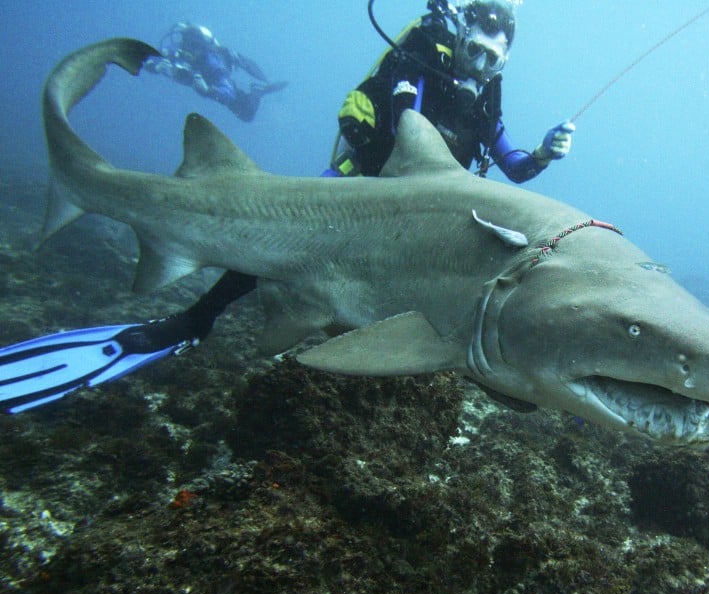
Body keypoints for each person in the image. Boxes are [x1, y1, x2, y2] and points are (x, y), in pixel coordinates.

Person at [0, 0, 574, 415]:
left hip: (426, 211)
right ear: (461, 32)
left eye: (494, 57)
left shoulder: (487, 97)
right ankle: (193, 319)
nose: (481, 64)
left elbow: (515, 165)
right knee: (279, 239)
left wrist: (544, 153)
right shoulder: (422, 56)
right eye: (476, 49)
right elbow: (404, 124)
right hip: (366, 182)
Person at [145, 22, 287, 122]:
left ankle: (257, 91)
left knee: (247, 114)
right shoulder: (176, 51)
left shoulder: (213, 64)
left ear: (202, 48)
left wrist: (209, 91)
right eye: (187, 46)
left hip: (213, 80)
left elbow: (228, 92)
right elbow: (152, 57)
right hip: (204, 78)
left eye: (195, 48)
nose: (189, 53)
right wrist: (154, 67)